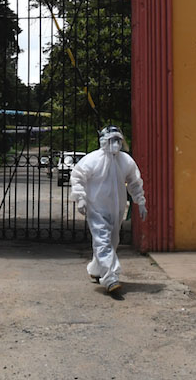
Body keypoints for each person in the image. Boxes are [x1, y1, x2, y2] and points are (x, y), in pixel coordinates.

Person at [69, 125, 146, 294]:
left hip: (116, 209)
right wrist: (80, 198)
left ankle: (96, 269)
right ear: (104, 141)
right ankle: (110, 278)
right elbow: (77, 177)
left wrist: (140, 201)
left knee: (111, 241)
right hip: (96, 207)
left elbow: (134, 181)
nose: (116, 144)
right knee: (102, 240)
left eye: (118, 140)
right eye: (112, 140)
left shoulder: (125, 160)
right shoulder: (92, 159)